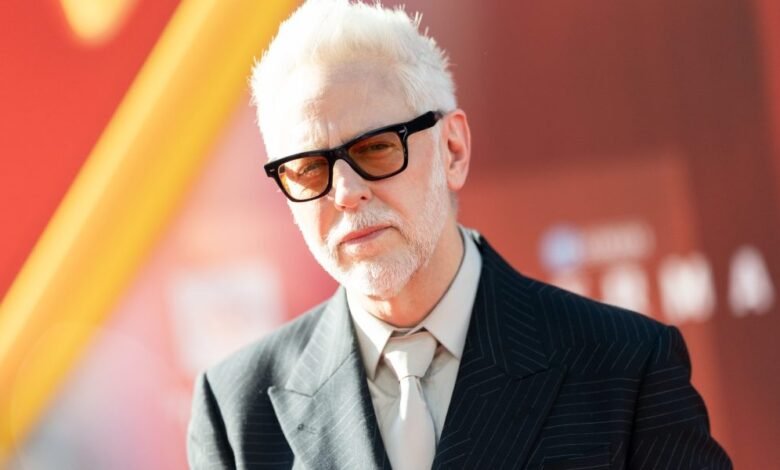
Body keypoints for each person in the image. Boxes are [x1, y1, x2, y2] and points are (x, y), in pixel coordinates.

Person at [187, 1, 732, 468]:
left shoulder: (626, 370)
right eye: (309, 169)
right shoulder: (235, 412)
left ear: (453, 150)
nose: (346, 192)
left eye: (376, 148)